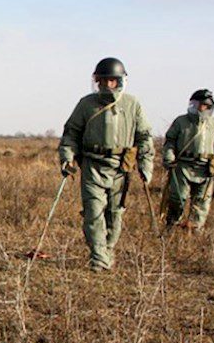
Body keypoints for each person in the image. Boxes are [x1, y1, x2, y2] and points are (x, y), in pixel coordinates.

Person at [58, 57, 154, 271]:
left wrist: (146, 166)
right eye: (103, 81)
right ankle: (99, 257)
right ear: (97, 81)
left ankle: (108, 249)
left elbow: (144, 137)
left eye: (112, 81)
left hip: (121, 168)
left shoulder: (132, 104)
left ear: (120, 81)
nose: (107, 85)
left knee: (114, 213)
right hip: (92, 165)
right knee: (93, 212)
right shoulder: (86, 104)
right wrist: (67, 157)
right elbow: (71, 132)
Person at [162, 89, 214, 230]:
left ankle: (194, 231)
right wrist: (169, 156)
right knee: (178, 199)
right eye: (198, 104)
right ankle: (171, 226)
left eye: (205, 105)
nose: (201, 108)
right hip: (183, 166)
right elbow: (170, 141)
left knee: (201, 203)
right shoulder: (181, 121)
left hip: (205, 169)